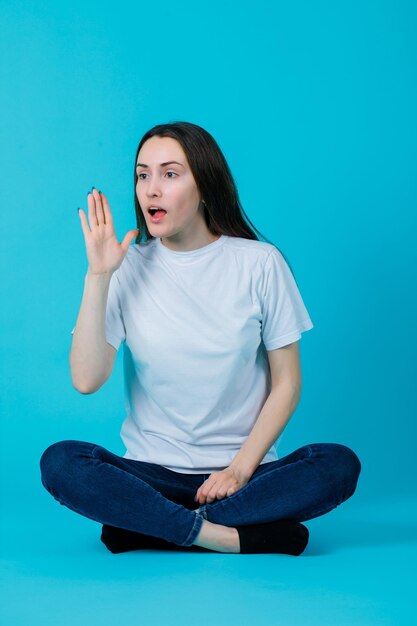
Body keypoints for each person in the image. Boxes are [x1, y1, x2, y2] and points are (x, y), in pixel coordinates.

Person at [39, 121, 361, 556]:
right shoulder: (126, 268)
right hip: (152, 474)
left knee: (336, 464)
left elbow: (287, 384)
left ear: (206, 185)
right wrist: (98, 276)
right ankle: (220, 536)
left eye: (170, 174)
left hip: (245, 476)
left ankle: (145, 524)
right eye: (142, 174)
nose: (151, 189)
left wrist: (238, 471)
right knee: (62, 462)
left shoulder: (260, 264)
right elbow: (86, 379)